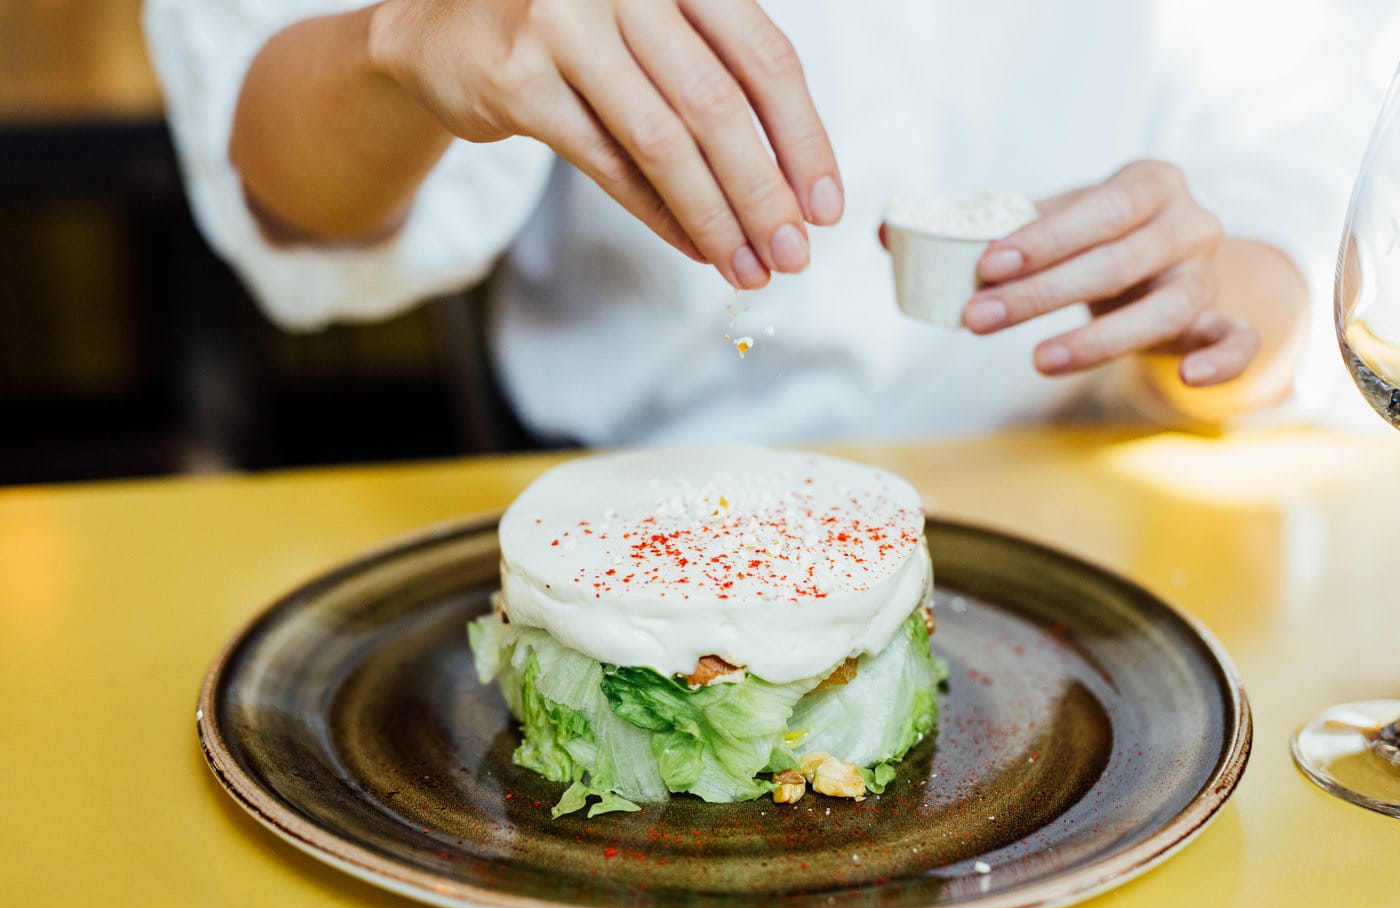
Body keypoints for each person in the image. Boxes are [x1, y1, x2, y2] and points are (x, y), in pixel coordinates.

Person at [143, 0, 1380, 446]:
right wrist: (403, 43)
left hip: (1083, 501)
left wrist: (1223, 304)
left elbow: (1302, 152)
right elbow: (285, 188)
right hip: (629, 496)